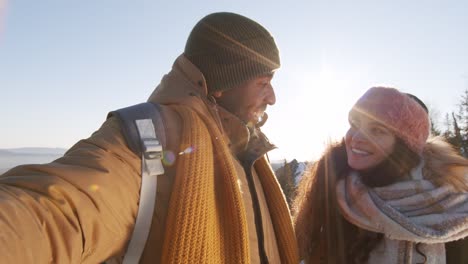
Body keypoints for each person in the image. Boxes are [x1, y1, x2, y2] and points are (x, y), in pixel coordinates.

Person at [0, 12, 299, 263]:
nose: (272, 98)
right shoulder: (150, 136)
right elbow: (58, 212)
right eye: (262, 83)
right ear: (222, 85)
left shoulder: (251, 153)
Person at [293, 87, 468, 264]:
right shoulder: (336, 192)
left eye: (377, 130)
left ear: (403, 146)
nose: (357, 137)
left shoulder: (451, 204)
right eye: (355, 124)